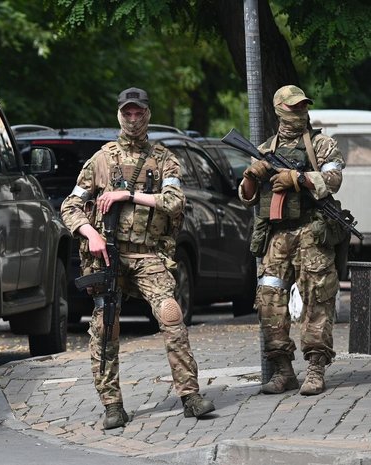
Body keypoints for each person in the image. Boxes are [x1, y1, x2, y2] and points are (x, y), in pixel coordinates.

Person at [60, 87, 215, 429]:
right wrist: (92, 233)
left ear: (147, 114)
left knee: (171, 316)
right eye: (127, 113)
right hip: (109, 258)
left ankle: (190, 396)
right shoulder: (101, 160)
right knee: (105, 326)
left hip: (148, 255)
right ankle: (112, 404)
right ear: (120, 114)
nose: (133, 119)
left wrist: (128, 194)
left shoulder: (164, 159)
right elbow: (70, 206)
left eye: (138, 113)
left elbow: (175, 201)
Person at [239, 85, 344, 396]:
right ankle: (283, 370)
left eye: (302, 107)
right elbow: (246, 197)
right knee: (269, 301)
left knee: (317, 299)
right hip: (277, 237)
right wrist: (251, 176)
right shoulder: (265, 150)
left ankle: (315, 369)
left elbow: (334, 180)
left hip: (313, 231)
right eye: (293, 107)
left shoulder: (322, 145)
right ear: (279, 109)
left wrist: (298, 179)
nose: (299, 112)